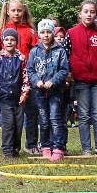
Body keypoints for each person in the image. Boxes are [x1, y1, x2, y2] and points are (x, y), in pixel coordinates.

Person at [0, 0, 41, 155]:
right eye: (13, 10)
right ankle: (9, 147)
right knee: (9, 119)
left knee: (31, 113)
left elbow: (37, 53)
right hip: (7, 84)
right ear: (7, 11)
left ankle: (31, 144)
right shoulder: (1, 32)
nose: (17, 13)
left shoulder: (30, 32)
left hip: (27, 80)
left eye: (19, 10)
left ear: (23, 11)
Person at [63, 0, 97, 156]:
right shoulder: (71, 33)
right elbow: (65, 55)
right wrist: (68, 73)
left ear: (96, 14)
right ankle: (86, 149)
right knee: (83, 115)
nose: (89, 14)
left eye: (92, 12)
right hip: (80, 80)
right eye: (86, 11)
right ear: (80, 13)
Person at [27, 20, 69, 161]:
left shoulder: (60, 51)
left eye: (49, 32)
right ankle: (46, 147)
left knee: (56, 119)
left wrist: (53, 81)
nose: (46, 35)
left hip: (55, 92)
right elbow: (30, 70)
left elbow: (64, 70)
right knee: (43, 121)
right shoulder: (34, 51)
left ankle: (58, 147)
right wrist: (37, 81)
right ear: (39, 34)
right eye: (43, 32)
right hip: (40, 92)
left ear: (53, 33)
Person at [0, 28, 30, 159]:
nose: (9, 42)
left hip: (18, 99)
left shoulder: (21, 59)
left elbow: (26, 78)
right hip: (4, 98)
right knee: (8, 125)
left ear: (16, 42)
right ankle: (7, 150)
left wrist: (24, 94)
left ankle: (16, 148)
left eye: (12, 40)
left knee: (18, 125)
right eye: (6, 40)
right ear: (2, 41)